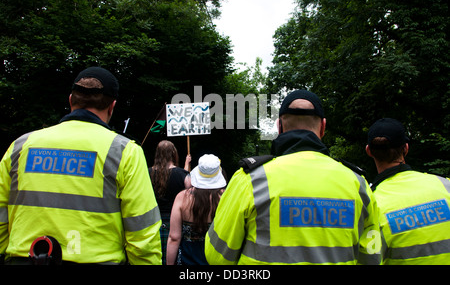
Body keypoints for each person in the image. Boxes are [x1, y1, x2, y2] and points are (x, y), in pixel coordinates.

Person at [0, 67, 162, 265]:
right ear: (112, 106)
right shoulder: (124, 151)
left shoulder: (20, 146)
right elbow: (142, 230)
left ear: (70, 100)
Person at [205, 89, 382, 265]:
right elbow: (372, 256)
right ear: (323, 127)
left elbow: (217, 256)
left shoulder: (250, 179)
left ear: (279, 127)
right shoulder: (358, 184)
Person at [366, 118, 450, 264]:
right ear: (405, 148)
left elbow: (369, 259)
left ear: (369, 151)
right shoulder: (444, 185)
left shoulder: (371, 204)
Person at [167, 154, 226, 265]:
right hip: (217, 259)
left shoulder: (182, 197)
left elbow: (174, 237)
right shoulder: (226, 198)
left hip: (187, 260)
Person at [149, 140, 191, 264]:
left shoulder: (147, 172)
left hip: (152, 222)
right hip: (176, 223)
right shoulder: (182, 175)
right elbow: (190, 193)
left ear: (157, 154)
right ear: (174, 154)